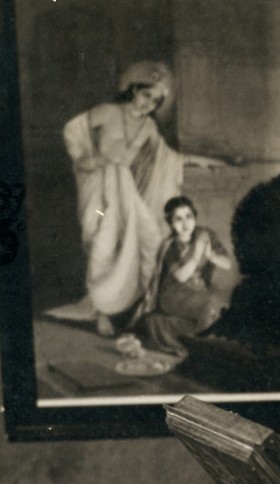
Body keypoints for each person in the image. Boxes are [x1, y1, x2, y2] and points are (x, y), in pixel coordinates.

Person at [47, 61, 228, 338]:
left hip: (124, 192)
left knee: (151, 238)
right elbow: (74, 130)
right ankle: (101, 310)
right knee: (102, 242)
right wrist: (87, 159)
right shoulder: (107, 112)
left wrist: (207, 161)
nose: (149, 104)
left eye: (155, 101)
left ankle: (137, 307)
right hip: (97, 193)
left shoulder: (148, 127)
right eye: (146, 95)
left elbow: (170, 158)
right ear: (133, 89)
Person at [141, 195, 234, 356]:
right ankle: (202, 351)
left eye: (188, 217)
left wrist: (211, 255)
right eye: (178, 219)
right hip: (173, 295)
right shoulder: (169, 246)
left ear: (195, 217)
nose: (185, 224)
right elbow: (181, 277)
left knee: (219, 310)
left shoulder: (205, 235)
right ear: (171, 223)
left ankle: (181, 335)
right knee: (211, 304)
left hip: (198, 291)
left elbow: (227, 264)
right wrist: (197, 254)